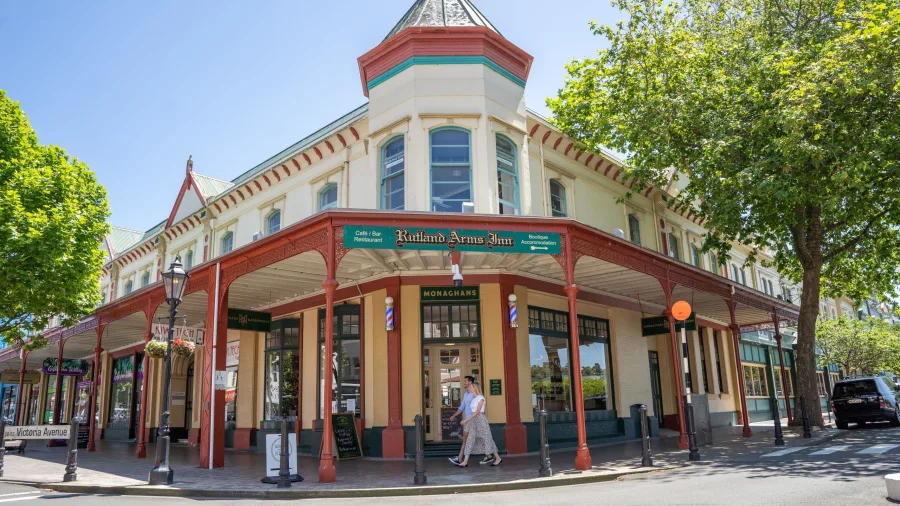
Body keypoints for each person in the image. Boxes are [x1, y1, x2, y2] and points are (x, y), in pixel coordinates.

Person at [455, 381, 502, 467]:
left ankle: (498, 458)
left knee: (487, 439)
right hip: (473, 420)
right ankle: (465, 461)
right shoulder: (473, 399)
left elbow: (477, 412)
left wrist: (466, 420)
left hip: (481, 419)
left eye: (471, 386)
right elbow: (472, 412)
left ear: (475, 388)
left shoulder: (481, 398)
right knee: (470, 439)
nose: (469, 387)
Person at [448, 376, 482, 465]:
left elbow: (479, 407)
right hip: (467, 419)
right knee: (467, 439)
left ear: (470, 382)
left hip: (472, 419)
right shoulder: (466, 394)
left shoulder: (474, 394)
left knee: (468, 439)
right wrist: (454, 415)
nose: (464, 382)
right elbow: (462, 406)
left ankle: (461, 459)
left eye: (466, 381)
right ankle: (460, 458)